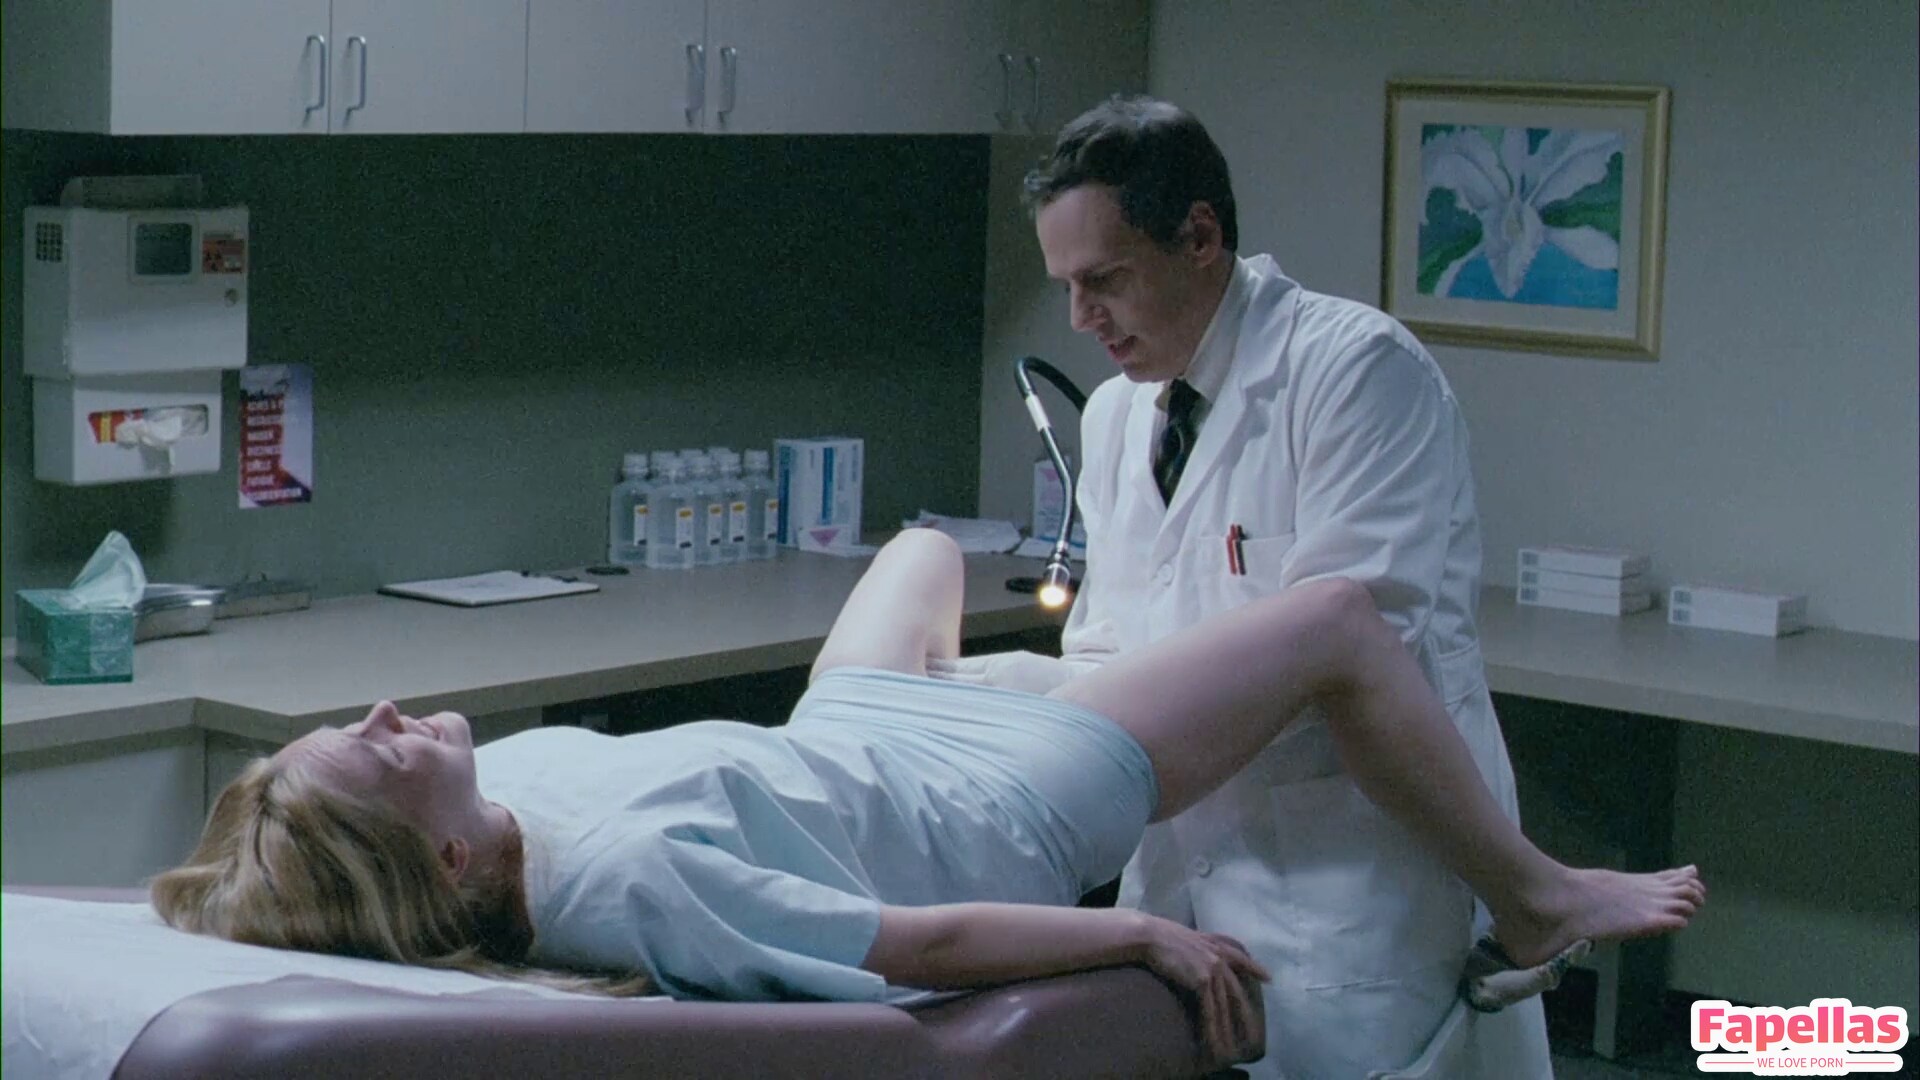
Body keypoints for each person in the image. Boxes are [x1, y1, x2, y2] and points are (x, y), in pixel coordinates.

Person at [151, 530, 1702, 1071]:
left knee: (926, 552)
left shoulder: (498, 801)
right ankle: (1536, 892)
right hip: (1002, 798)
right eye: (373, 750)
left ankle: (1057, 673)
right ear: (433, 854)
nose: (381, 716)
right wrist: (1137, 939)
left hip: (852, 738)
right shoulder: (625, 881)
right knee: (1339, 622)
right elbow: (917, 944)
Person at [929, 95, 1577, 1076]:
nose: (1080, 317)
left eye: (1103, 280)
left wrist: (1054, 705)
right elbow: (1109, 649)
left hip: (1351, 899)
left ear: (1200, 237)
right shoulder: (1116, 416)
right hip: (1187, 899)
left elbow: (1346, 668)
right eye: (1065, 286)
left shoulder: (1354, 373)